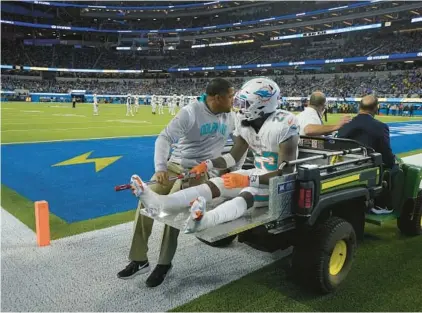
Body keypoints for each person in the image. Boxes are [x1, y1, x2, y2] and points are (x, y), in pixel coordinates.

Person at [130, 77, 299, 235]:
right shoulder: (243, 121)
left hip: (275, 183)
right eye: (237, 99)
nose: (238, 105)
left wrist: (247, 180)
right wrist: (208, 165)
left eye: (245, 102)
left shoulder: (283, 124)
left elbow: (285, 173)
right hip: (258, 173)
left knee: (248, 193)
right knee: (217, 183)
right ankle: (160, 203)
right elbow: (232, 157)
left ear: (263, 104)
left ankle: (204, 221)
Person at [118, 78, 239, 287]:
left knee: (173, 207)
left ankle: (164, 263)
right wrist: (161, 168)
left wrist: (233, 171)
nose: (233, 99)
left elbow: (240, 146)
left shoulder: (232, 118)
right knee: (145, 199)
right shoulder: (191, 112)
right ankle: (139, 259)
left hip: (201, 172)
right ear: (217, 98)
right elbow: (164, 138)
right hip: (175, 166)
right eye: (230, 96)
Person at [337, 95, 397, 214]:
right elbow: (386, 155)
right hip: (369, 167)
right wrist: (393, 162)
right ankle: (383, 204)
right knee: (395, 169)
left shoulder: (345, 125)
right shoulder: (380, 127)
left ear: (359, 107)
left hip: (346, 165)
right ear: (375, 108)